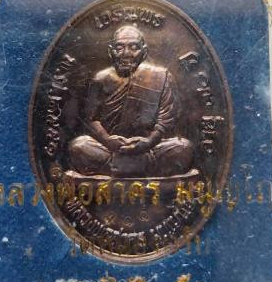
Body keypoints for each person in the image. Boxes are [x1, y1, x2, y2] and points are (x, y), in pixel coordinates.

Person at [69, 25, 193, 177]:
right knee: (79, 146)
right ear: (110, 51)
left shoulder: (161, 77)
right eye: (119, 48)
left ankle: (118, 168)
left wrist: (148, 142)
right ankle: (143, 168)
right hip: (111, 149)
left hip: (150, 149)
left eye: (133, 47)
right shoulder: (101, 79)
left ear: (144, 51)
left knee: (183, 148)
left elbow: (166, 121)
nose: (126, 54)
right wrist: (108, 141)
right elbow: (91, 119)